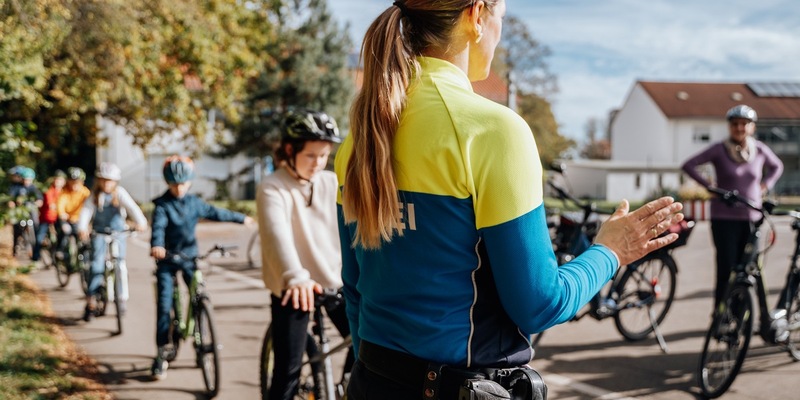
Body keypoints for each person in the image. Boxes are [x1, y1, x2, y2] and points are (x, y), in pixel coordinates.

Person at [334, 1, 684, 398]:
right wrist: (611, 250)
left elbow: (356, 289)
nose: (499, 30)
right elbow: (540, 303)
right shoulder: (493, 132)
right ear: (476, 16)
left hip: (371, 384)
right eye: (501, 15)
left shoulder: (359, 140)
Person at [256, 109, 353, 400]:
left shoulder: (329, 182)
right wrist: (295, 277)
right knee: (288, 371)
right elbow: (277, 235)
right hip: (294, 287)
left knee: (371, 346)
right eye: (311, 156)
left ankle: (348, 384)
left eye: (324, 156)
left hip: (334, 281)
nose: (318, 163)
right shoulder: (273, 187)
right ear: (289, 149)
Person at [149, 155, 255, 380]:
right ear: (167, 183)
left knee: (199, 291)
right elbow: (158, 227)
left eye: (183, 183)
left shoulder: (194, 203)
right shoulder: (162, 205)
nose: (179, 188)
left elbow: (217, 213)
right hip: (167, 259)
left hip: (189, 257)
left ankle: (199, 334)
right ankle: (161, 353)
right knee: (164, 303)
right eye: (174, 184)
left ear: (189, 182)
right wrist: (157, 245)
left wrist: (241, 219)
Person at [682, 104, 783, 311]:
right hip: (724, 218)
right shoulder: (719, 149)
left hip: (752, 218)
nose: (739, 128)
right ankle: (721, 313)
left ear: (752, 127)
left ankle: (741, 315)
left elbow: (777, 167)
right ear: (729, 126)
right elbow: (689, 165)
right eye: (735, 124)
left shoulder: (760, 150)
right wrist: (710, 186)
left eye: (744, 124)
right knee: (726, 269)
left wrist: (765, 185)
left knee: (748, 270)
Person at [77, 162, 148, 322]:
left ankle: (122, 298)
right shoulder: (94, 196)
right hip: (99, 233)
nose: (107, 184)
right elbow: (86, 212)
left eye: (110, 181)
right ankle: (91, 303)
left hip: (118, 233)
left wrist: (141, 222)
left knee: (120, 265)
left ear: (116, 182)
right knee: (96, 265)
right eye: (104, 180)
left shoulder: (120, 193)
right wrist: (82, 227)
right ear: (99, 180)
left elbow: (133, 208)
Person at [7, 166, 43, 257]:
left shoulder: (34, 188)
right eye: (25, 179)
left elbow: (39, 199)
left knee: (36, 223)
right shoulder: (16, 187)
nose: (27, 181)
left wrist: (38, 202)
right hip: (20, 212)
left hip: (31, 210)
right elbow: (11, 198)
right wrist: (12, 203)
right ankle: (16, 247)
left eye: (29, 180)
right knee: (17, 228)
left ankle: (38, 241)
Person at [32, 170, 67, 264]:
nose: (58, 182)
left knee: (64, 233)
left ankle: (59, 254)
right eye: (57, 180)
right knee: (40, 237)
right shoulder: (49, 190)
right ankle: (35, 258)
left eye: (61, 180)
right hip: (47, 217)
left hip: (58, 217)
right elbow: (50, 202)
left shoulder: (64, 192)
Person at [56, 167, 91, 258]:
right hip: (66, 218)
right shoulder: (65, 191)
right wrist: (62, 213)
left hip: (79, 219)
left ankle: (83, 255)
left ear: (81, 182)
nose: (74, 186)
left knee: (83, 237)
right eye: (72, 182)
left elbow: (90, 204)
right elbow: (61, 203)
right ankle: (60, 250)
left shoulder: (85, 192)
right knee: (65, 231)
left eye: (77, 183)